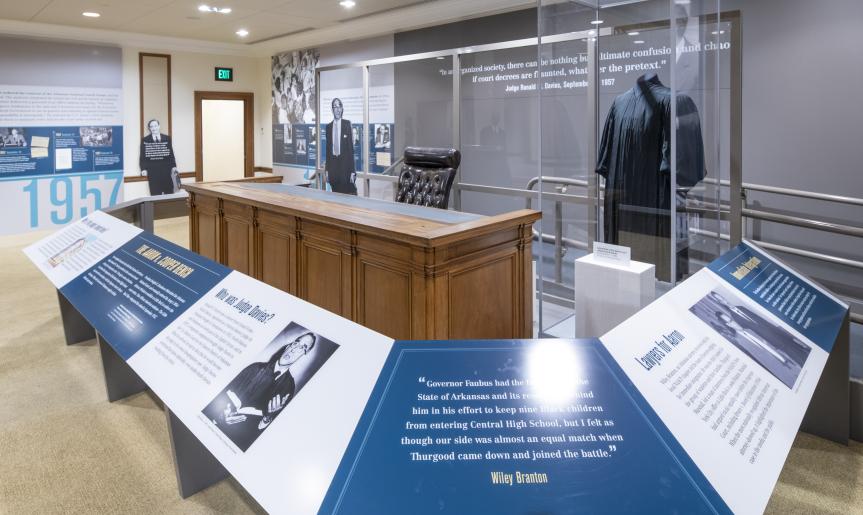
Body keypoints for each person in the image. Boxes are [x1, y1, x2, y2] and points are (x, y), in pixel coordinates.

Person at [204, 331, 317, 451]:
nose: (294, 349)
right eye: (296, 343)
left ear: (304, 354)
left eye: (302, 348)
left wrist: (268, 417)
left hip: (238, 442)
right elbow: (217, 395)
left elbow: (265, 438)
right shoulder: (255, 367)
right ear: (288, 346)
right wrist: (222, 415)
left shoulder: (289, 387)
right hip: (213, 428)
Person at [325, 98, 356, 194]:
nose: (337, 109)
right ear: (332, 110)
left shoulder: (347, 124)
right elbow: (328, 151)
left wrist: (352, 171)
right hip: (333, 167)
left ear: (342, 109)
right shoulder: (328, 127)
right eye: (335, 107)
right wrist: (327, 171)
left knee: (346, 195)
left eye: (339, 106)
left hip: (345, 168)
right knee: (335, 194)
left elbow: (351, 150)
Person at [139, 119, 178, 195]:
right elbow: (142, 156)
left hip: (166, 171)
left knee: (169, 193)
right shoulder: (145, 140)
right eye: (151, 126)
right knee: (155, 194)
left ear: (159, 126)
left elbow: (171, 154)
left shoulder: (167, 138)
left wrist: (174, 166)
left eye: (155, 126)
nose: (154, 128)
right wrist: (143, 169)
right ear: (149, 128)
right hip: (153, 172)